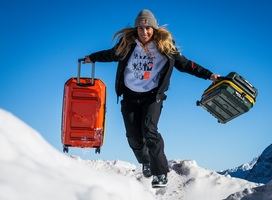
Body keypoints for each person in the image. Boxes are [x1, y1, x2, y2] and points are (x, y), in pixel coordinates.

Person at [83, 9, 220, 188]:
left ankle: (160, 173)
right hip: (130, 96)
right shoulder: (128, 44)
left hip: (152, 97)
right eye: (140, 28)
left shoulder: (165, 47)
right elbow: (110, 54)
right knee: (133, 137)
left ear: (154, 29)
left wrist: (209, 75)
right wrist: (92, 57)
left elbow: (187, 65)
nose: (144, 31)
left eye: (148, 28)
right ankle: (145, 161)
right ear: (136, 29)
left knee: (149, 130)